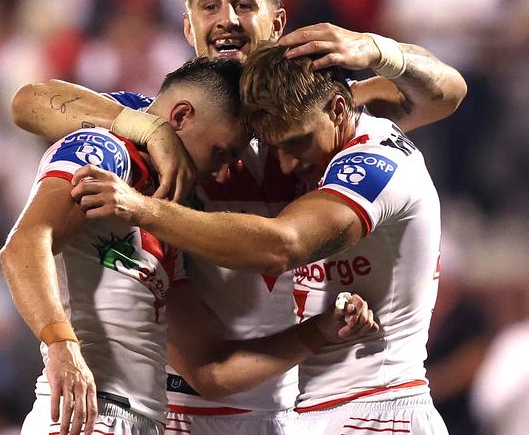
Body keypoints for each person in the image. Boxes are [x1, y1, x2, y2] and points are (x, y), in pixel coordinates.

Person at [10, 0, 466, 434]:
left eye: (244, 4)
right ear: (188, 28)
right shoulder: (168, 122)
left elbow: (446, 92)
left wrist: (376, 49)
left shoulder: (315, 121)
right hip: (168, 407)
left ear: (278, 21)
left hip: (273, 410)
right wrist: (148, 128)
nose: (226, 18)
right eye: (209, 6)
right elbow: (28, 103)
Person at [70, 44, 451, 433]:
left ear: (338, 110)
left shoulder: (374, 161)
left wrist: (140, 208)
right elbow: (33, 101)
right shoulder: (201, 118)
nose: (287, 164)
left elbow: (280, 246)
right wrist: (148, 127)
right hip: (320, 411)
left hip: (380, 409)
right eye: (276, 148)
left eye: (296, 142)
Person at [0, 56, 378, 435]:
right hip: (88, 413)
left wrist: (320, 331)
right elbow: (24, 243)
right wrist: (61, 345)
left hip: (137, 420)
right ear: (180, 117)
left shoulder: (164, 211)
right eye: (221, 152)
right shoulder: (107, 149)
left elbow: (210, 371)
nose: (221, 172)